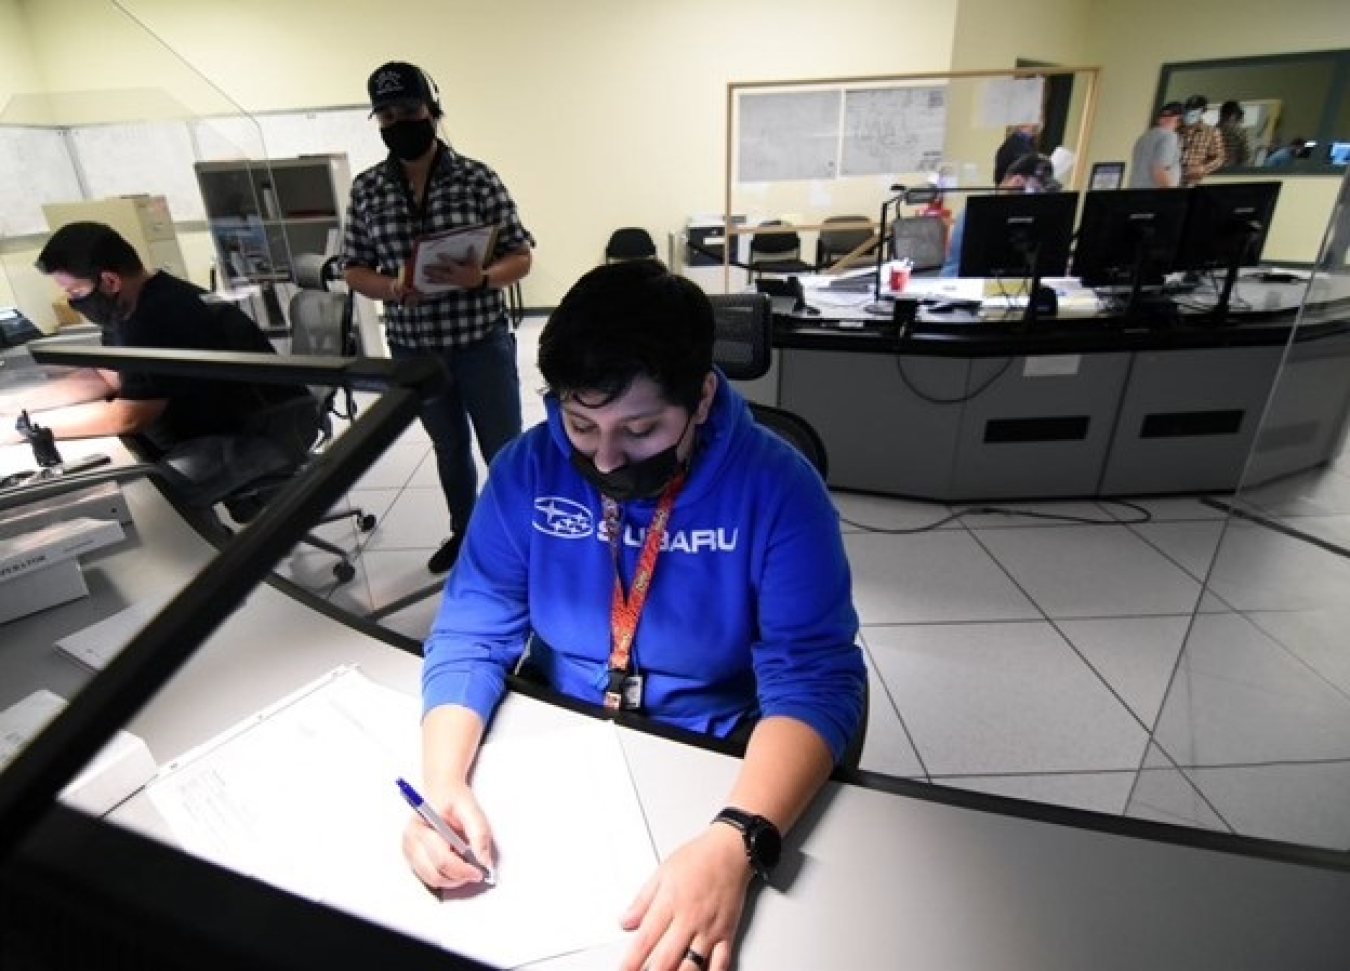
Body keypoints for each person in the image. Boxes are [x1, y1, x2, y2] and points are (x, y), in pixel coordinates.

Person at [401, 260, 867, 971]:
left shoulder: (779, 490)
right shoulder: (528, 470)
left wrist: (737, 837)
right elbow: (473, 627)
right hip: (560, 742)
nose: (607, 458)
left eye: (642, 428)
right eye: (580, 423)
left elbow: (814, 679)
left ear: (702, 397)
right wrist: (444, 786)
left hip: (715, 757)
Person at [342, 60, 535, 574]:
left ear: (431, 110)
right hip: (415, 351)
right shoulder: (367, 189)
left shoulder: (475, 178)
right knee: (449, 448)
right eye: (386, 115)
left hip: (480, 343)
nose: (398, 122)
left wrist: (485, 278)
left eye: (408, 110)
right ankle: (465, 534)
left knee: (504, 450)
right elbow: (354, 268)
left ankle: (520, 544)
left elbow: (521, 254)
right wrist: (389, 286)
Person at [0, 222, 316, 517]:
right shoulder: (129, 306)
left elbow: (130, 415)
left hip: (254, 433)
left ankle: (213, 562)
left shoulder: (160, 314)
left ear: (110, 281)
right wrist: (15, 406)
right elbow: (107, 375)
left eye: (75, 293)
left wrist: (22, 429)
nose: (73, 302)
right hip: (215, 425)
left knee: (151, 501)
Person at [940, 152, 1061, 277]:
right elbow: (980, 264)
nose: (1038, 199)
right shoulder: (983, 209)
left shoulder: (1017, 215)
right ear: (1017, 181)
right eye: (1036, 190)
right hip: (960, 282)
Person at [1127, 101, 1184, 188]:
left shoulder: (1144, 137)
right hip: (1154, 195)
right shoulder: (1169, 137)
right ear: (1178, 119)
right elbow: (1159, 169)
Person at [1177, 94, 1226, 186]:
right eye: (1188, 109)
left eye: (1194, 110)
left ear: (1202, 111)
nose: (1190, 113)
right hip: (1169, 180)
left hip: (1191, 182)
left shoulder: (1211, 132)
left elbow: (1219, 157)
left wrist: (1202, 168)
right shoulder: (1176, 129)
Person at [1217, 100, 1252, 168]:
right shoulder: (1239, 131)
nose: (1241, 121)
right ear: (1233, 116)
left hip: (1212, 174)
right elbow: (1246, 156)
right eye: (1239, 118)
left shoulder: (1210, 131)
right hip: (1232, 172)